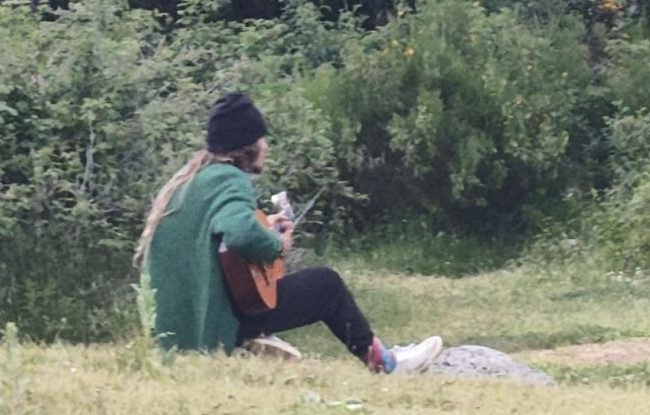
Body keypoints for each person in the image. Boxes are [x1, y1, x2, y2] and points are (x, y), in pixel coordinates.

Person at [135, 92, 442, 373]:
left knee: (267, 290)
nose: (266, 147)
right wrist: (276, 244)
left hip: (174, 332)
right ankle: (387, 364)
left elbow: (213, 239)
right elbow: (240, 235)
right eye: (262, 140)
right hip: (213, 329)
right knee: (326, 285)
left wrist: (264, 224)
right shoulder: (231, 180)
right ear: (248, 146)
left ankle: (255, 345)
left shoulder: (187, 180)